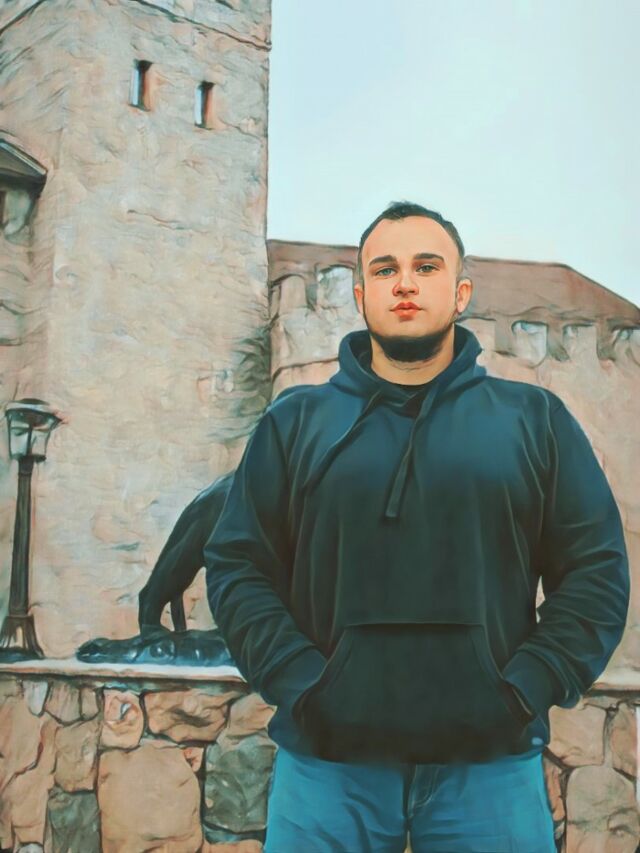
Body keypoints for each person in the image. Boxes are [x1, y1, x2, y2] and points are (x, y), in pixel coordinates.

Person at [204, 201, 630, 852]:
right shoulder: (295, 423)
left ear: (461, 292)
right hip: (326, 767)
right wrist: (302, 683)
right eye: (385, 269)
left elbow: (595, 571)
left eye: (426, 267)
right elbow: (240, 565)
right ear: (360, 296)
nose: (404, 282)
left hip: (491, 768)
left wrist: (526, 688)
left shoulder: (535, 419)